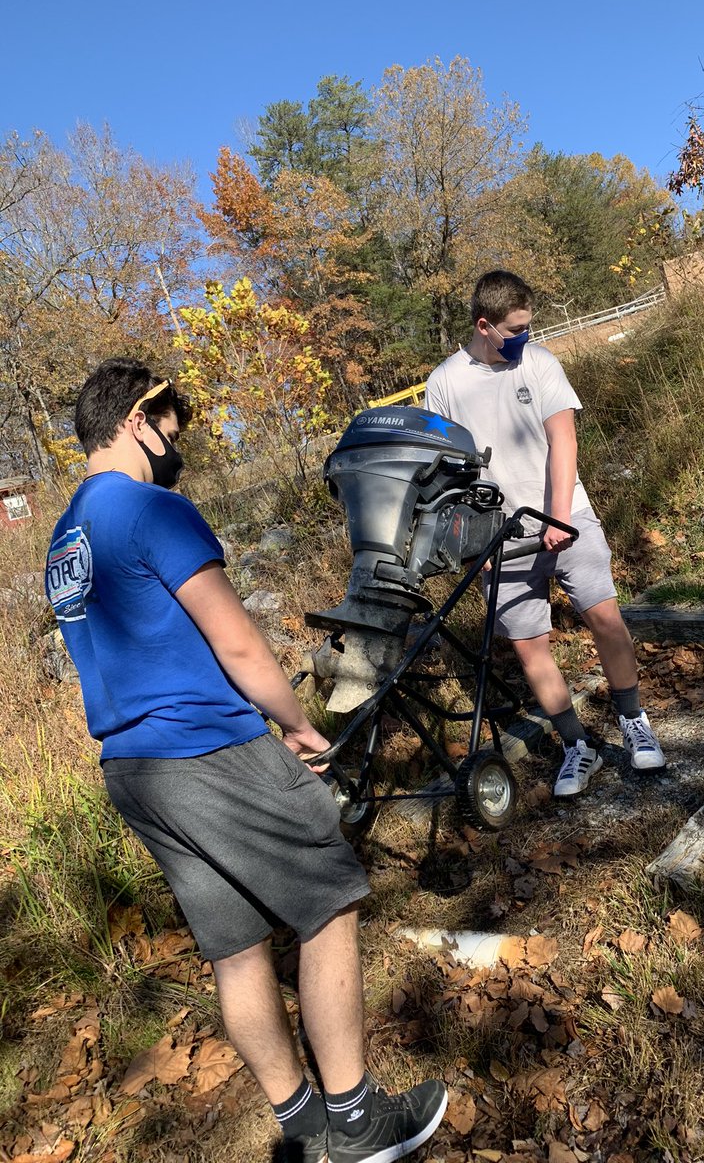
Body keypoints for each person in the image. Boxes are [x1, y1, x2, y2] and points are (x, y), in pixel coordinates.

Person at [45, 359, 447, 1163]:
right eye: (170, 429)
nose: (175, 446)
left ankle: (302, 1125)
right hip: (208, 749)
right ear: (137, 419)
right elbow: (233, 638)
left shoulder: (64, 540)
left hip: (132, 769)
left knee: (235, 950)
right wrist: (296, 724)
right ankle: (362, 1126)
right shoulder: (152, 508)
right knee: (328, 908)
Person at [425, 271, 666, 797]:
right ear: (484, 327)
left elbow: (563, 440)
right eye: (516, 329)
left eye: (529, 326)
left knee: (605, 617)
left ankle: (634, 723)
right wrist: (471, 546)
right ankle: (577, 747)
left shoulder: (540, 363)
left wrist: (559, 517)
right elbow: (452, 471)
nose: (525, 337)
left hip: (566, 515)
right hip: (499, 536)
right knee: (532, 648)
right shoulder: (443, 383)